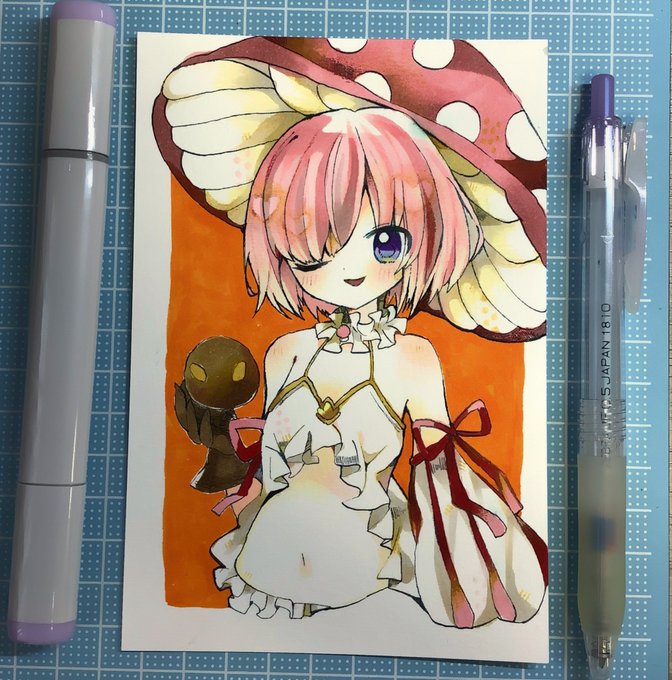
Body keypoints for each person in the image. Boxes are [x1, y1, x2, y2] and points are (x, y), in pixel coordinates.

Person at [209, 107, 547, 628]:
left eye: (385, 241)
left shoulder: (413, 359)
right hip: (265, 576)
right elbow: (267, 482)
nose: (350, 267)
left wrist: (477, 574)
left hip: (365, 589)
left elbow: (443, 486)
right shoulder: (285, 353)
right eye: (315, 244)